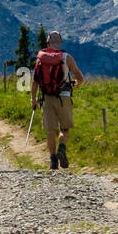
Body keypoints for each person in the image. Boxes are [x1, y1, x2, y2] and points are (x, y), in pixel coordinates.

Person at [31, 31, 84, 170]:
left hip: (47, 97)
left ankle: (53, 160)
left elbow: (35, 81)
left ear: (47, 43)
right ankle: (61, 148)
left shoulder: (40, 59)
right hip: (64, 95)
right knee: (64, 128)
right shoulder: (66, 57)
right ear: (60, 43)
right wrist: (74, 86)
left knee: (50, 130)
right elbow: (80, 78)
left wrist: (33, 99)